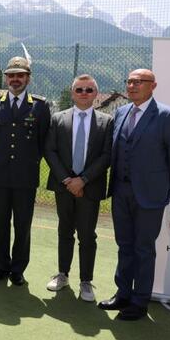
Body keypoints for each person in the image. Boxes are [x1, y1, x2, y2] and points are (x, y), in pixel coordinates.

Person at [98, 69, 170, 321]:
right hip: (121, 191)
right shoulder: (121, 112)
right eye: (129, 81)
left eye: (139, 82)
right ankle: (123, 294)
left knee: (143, 249)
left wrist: (165, 188)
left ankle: (139, 301)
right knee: (124, 245)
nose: (132, 86)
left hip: (150, 195)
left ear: (153, 86)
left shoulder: (167, 116)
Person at [44, 74, 113, 302]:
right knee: (65, 231)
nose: (84, 93)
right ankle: (63, 274)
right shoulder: (58, 119)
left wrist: (82, 180)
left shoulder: (106, 121)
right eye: (80, 89)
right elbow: (50, 151)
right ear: (73, 93)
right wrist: (68, 180)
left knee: (87, 235)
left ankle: (86, 281)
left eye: (89, 90)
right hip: (64, 186)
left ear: (96, 94)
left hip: (89, 188)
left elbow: (106, 156)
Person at [0, 56, 50, 286]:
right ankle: (1, 266)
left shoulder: (40, 107)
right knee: (0, 223)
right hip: (0, 175)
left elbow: (43, 142)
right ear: (6, 78)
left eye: (19, 75)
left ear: (28, 79)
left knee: (23, 225)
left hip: (26, 177)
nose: (15, 79)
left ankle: (18, 269)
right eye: (11, 75)